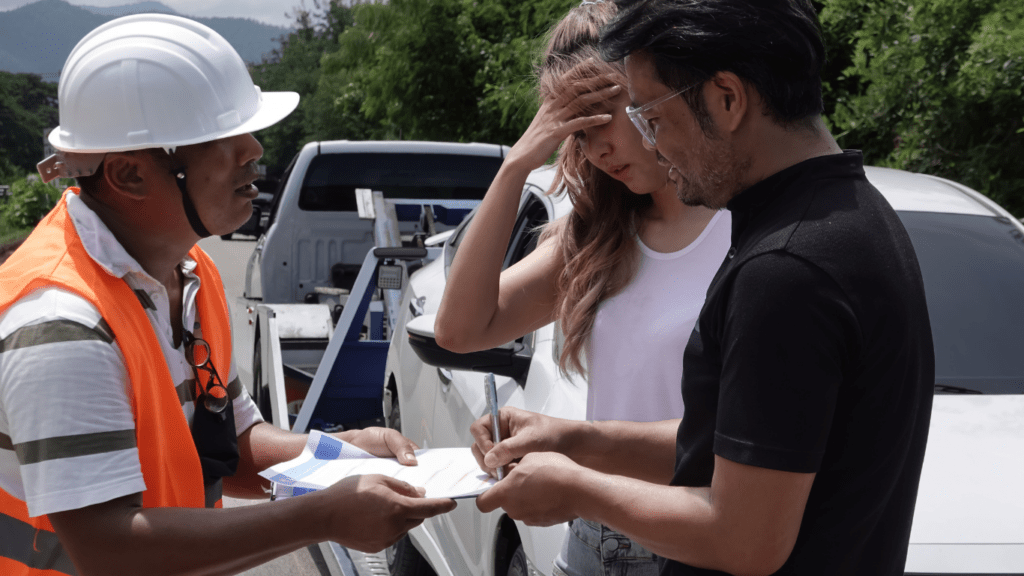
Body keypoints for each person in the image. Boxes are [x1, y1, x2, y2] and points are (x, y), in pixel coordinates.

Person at [470, 1, 935, 575]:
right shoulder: (859, 218)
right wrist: (576, 440)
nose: (655, 146)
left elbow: (744, 539)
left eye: (654, 119)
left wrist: (578, 490)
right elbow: (742, 444)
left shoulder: (786, 269)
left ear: (727, 99)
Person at [0, 14, 454, 576]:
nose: (254, 150)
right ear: (129, 175)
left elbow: (228, 443)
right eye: (223, 139)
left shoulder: (190, 273)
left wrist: (343, 456)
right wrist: (322, 517)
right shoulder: (60, 320)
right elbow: (107, 549)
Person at [434, 1, 729, 575]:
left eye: (603, 117)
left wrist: (571, 438)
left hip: (692, 536)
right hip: (592, 538)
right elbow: (458, 330)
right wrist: (518, 162)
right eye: (576, 130)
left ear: (650, 93)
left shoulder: (743, 229)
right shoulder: (595, 237)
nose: (596, 149)